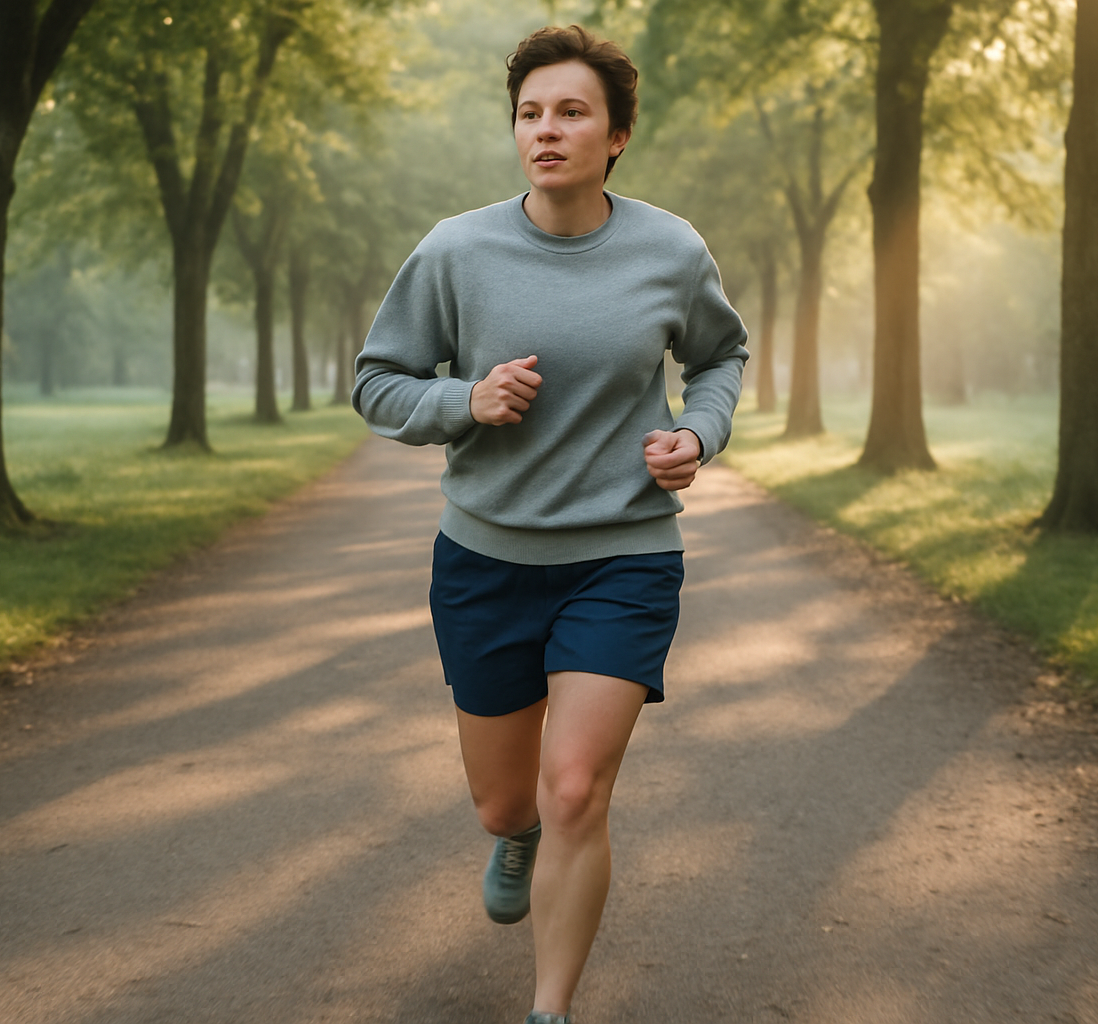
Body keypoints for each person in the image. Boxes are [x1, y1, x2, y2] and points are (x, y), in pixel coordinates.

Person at [352, 24, 747, 1024]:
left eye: (571, 111)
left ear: (616, 134)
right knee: (507, 800)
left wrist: (698, 437)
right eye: (531, 113)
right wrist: (463, 403)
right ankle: (512, 831)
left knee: (576, 788)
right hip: (484, 560)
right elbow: (376, 382)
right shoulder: (456, 250)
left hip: (623, 555)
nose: (547, 130)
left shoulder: (668, 248)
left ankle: (550, 1008)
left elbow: (720, 357)